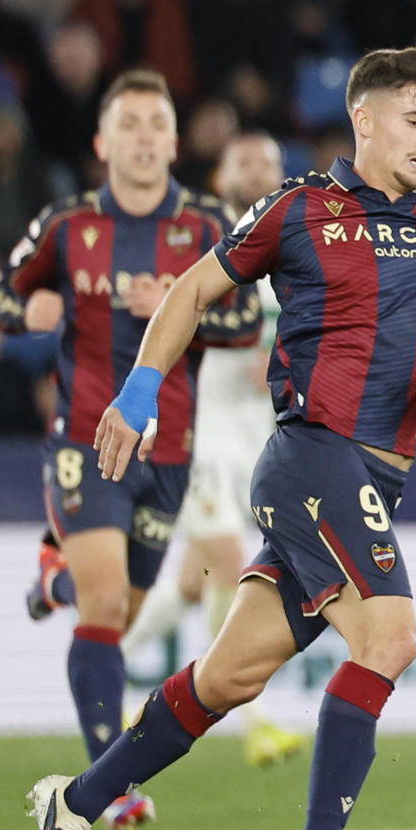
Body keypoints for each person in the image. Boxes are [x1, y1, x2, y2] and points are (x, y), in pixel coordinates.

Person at [25, 47, 416, 830]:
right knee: (389, 638)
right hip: (313, 457)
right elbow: (190, 292)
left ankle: (73, 806)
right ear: (364, 117)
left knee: (225, 680)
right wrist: (138, 394)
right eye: (412, 117)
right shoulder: (301, 208)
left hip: (379, 480)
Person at [0, 68, 262, 830]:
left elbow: (246, 320)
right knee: (107, 603)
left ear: (175, 143)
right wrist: (30, 306)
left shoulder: (209, 226)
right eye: (130, 125)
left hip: (171, 451)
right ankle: (111, 788)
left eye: (156, 124)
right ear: (103, 142)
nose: (144, 139)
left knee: (122, 609)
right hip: (85, 437)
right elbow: (1, 293)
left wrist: (178, 308)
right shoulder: (68, 225)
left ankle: (54, 583)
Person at [115, 132, 304, 770]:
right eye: (244, 160)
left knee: (195, 581)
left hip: (258, 439)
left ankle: (109, 666)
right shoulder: (203, 240)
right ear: (220, 172)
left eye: (270, 162)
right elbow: (178, 313)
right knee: (228, 565)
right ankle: (256, 722)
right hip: (199, 434)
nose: (259, 171)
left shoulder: (293, 247)